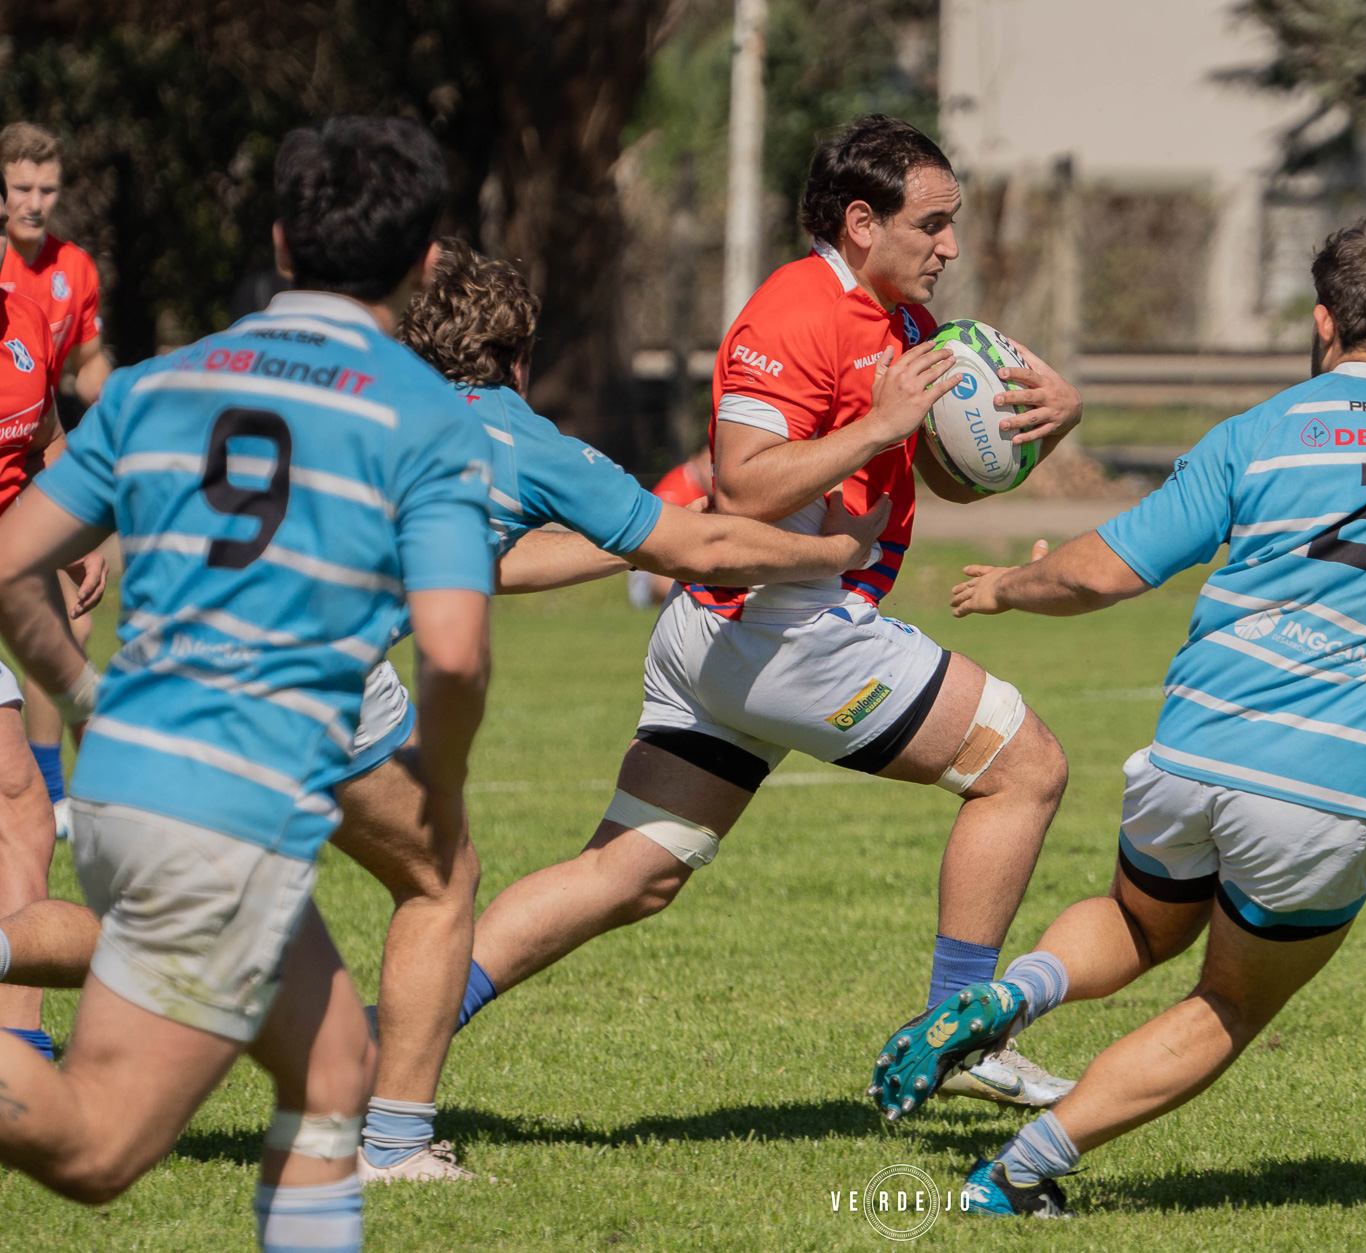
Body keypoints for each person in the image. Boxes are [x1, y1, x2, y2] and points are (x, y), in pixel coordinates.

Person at [0, 235, 893, 1184]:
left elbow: (488, 560)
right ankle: (393, 1143)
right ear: (519, 349)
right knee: (441, 881)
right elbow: (706, 548)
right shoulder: (517, 436)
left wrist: (626, 547)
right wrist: (829, 555)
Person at [868, 216, 1366, 1216]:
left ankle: (1013, 994)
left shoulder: (1260, 433)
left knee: (1142, 919)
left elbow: (1105, 569)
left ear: (1323, 321)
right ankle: (1016, 1173)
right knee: (1228, 1000)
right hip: (1327, 789)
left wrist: (1013, 583)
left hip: (1192, 751)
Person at [454, 113, 1086, 1109]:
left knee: (630, 870)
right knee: (1024, 762)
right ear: (861, 221)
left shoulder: (909, 327)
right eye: (933, 223)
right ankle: (960, 1028)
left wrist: (1048, 422)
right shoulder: (791, 311)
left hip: (731, 637)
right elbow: (743, 487)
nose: (950, 246)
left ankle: (394, 1030)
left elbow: (937, 475)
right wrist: (880, 421)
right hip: (786, 627)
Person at [0, 116, 496, 1253]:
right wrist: (442, 778)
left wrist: (79, 696)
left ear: (280, 242)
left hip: (124, 775)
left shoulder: (161, 382)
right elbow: (457, 653)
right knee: (95, 1148)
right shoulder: (425, 419)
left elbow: (11, 562)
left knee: (332, 1066)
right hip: (231, 809)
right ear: (428, 265)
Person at [0, 121, 112, 841]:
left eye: (49, 189)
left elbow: (53, 416)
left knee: (68, 623)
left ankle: (65, 789)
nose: (36, 203)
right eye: (22, 189)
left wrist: (132, 402)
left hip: (18, 521)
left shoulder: (53, 292)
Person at [0, 278, 100, 1064]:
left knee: (23, 810)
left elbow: (45, 440)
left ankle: (18, 1035)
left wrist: (72, 534)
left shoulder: (27, 319)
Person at [627, 449, 711, 608]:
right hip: (649, 570)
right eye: (709, 463)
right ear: (694, 461)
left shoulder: (713, 491)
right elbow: (654, 544)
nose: (713, 470)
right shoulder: (675, 490)